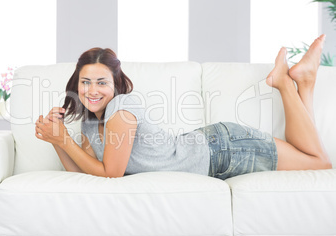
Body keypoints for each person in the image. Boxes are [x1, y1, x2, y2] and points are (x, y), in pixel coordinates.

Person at [35, 35, 332, 179]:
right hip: (212, 145)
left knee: (319, 163)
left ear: (115, 85)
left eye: (101, 82)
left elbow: (110, 172)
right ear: (76, 85)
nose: (92, 90)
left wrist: (62, 138)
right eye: (85, 82)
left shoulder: (122, 110)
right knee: (310, 156)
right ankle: (304, 83)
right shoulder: (89, 124)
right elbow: (86, 171)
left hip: (224, 151)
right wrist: (57, 139)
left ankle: (284, 82)